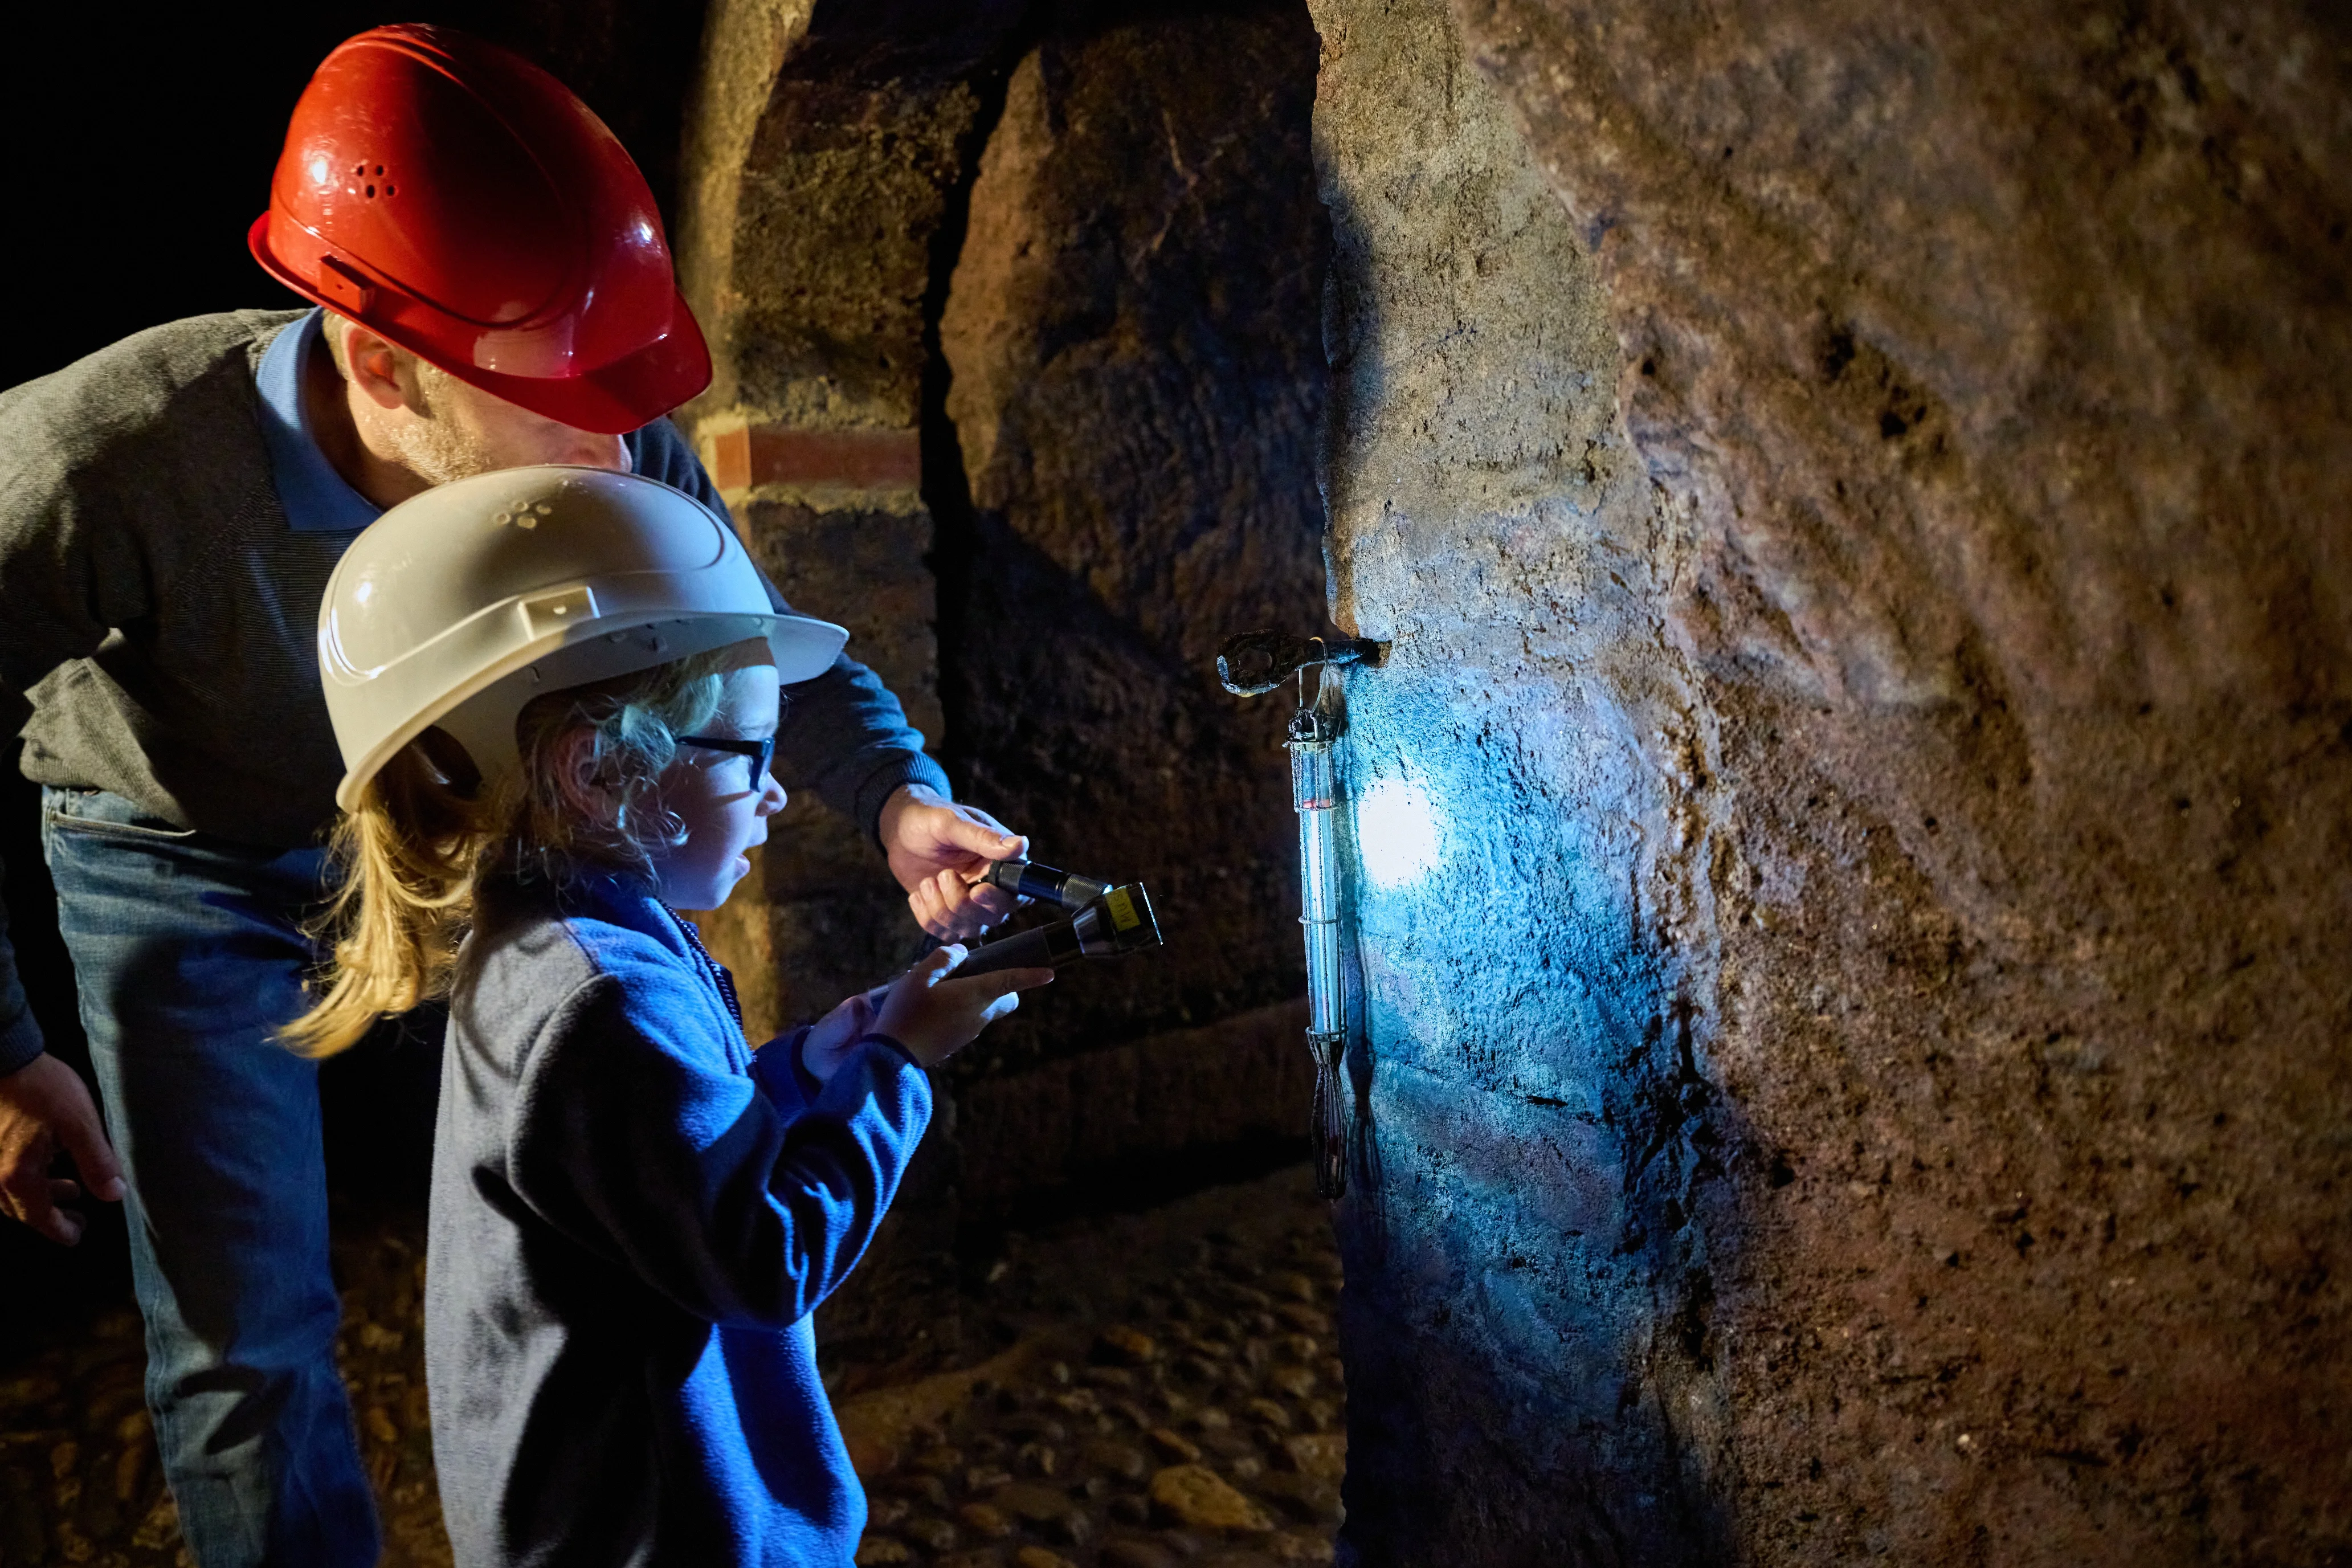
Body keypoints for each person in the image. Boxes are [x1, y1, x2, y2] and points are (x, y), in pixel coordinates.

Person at [0, 26, 1018, 1566]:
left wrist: (894, 799)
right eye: (564, 398)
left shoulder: (603, 443)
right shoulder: (97, 465)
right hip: (181, 856)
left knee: (525, 1240)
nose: (623, 451)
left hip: (468, 829)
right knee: (243, 1339)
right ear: (385, 362)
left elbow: (740, 639)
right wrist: (7, 1055)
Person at [291, 464, 1051, 1567]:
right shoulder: (603, 994)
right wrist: (898, 1061)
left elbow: (661, 1167)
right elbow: (760, 1256)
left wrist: (807, 1066)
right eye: (751, 752)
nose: (781, 791)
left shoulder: (570, 929)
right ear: (602, 772)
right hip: (661, 1524)